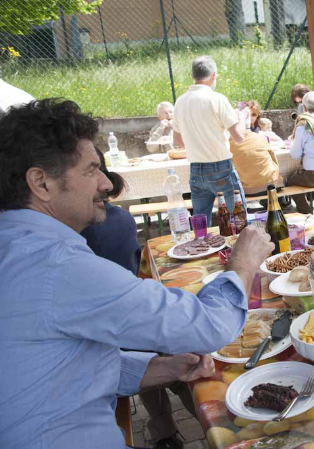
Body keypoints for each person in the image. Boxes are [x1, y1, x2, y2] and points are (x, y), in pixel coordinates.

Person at [0, 98, 275, 449]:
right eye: (91, 170)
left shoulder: (16, 246)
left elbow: (61, 365)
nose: (106, 183)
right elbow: (208, 328)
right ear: (41, 183)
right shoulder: (54, 264)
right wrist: (243, 263)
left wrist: (162, 369)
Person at [81, 150, 194, 449]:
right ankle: (187, 422)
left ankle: (166, 430)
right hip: (126, 332)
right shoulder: (117, 220)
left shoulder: (87, 230)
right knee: (167, 358)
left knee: (161, 361)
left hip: (119, 332)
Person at [173, 55, 250, 225]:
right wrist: (243, 118)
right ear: (213, 75)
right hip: (221, 167)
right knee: (239, 219)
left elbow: (178, 141)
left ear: (193, 75)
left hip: (196, 169)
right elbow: (239, 137)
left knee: (201, 224)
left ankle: (201, 242)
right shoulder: (217, 99)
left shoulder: (180, 102)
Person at [286, 91, 314, 214]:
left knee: (289, 181)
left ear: (304, 107)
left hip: (313, 177)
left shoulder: (304, 124)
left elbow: (295, 154)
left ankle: (305, 210)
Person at [230, 127, 282, 196]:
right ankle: (279, 200)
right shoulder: (260, 137)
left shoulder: (229, 143)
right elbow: (274, 159)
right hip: (274, 186)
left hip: (248, 190)